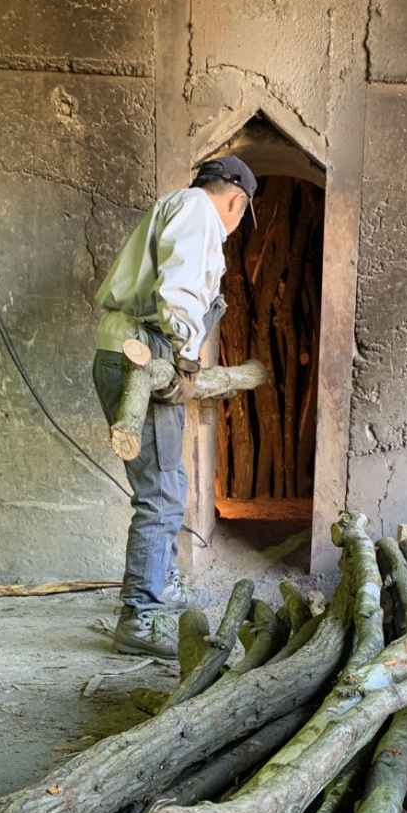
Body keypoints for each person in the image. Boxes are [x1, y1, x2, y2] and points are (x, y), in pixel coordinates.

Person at [92, 155, 258, 657]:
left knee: (172, 482)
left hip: (136, 351)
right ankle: (139, 617)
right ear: (235, 201)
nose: (232, 228)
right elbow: (181, 288)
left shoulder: (181, 206)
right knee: (162, 495)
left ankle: (160, 587)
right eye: (238, 216)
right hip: (143, 357)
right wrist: (186, 355)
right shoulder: (197, 211)